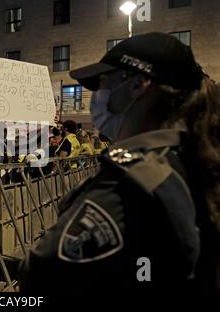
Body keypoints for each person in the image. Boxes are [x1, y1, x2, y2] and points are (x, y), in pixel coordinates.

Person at [19, 32, 219, 291]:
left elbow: (41, 274)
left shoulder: (130, 183)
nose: (97, 94)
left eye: (103, 81)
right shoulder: (191, 159)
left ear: (138, 85)